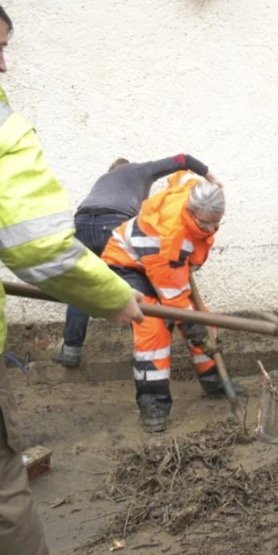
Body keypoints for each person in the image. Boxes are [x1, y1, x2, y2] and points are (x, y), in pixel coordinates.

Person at [0, 6, 144, 552]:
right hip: (100, 238)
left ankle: (69, 350)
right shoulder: (3, 128)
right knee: (4, 495)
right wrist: (116, 295)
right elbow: (37, 245)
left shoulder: (117, 181)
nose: (6, 66)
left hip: (86, 226)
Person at [53, 154, 220, 367]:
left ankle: (70, 351)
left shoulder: (103, 182)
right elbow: (182, 160)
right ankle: (148, 345)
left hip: (82, 225)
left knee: (84, 286)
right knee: (141, 288)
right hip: (113, 223)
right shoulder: (140, 171)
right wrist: (209, 176)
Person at [101, 171, 233, 433]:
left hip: (165, 266)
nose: (210, 230)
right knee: (155, 331)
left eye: (215, 224)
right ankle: (154, 404)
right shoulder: (170, 238)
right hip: (130, 266)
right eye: (205, 224)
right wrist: (194, 326)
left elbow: (181, 176)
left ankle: (214, 381)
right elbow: (174, 302)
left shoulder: (197, 191)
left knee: (202, 319)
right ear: (191, 212)